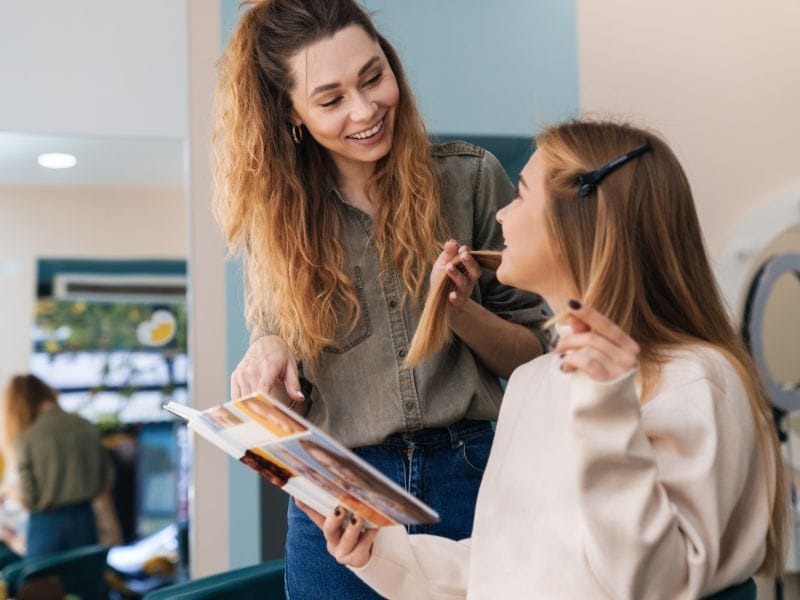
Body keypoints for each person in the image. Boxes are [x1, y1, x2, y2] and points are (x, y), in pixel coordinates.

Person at [304, 119, 788, 599]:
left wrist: (607, 413)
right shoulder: (536, 381)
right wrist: (377, 550)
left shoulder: (695, 381)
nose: (500, 217)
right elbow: (501, 571)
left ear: (581, 220)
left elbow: (652, 584)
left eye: (519, 194)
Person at [212, 1, 549, 597]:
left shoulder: (470, 180)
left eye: (373, 77)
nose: (366, 110)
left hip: (470, 478)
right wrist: (266, 351)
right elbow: (275, 344)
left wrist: (459, 312)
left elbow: (532, 363)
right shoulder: (274, 223)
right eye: (331, 99)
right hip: (339, 505)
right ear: (291, 114)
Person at [1, 374, 115, 558]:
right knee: (85, 582)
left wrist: (7, 490)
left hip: (47, 527)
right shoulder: (86, 426)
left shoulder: (27, 439)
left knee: (43, 584)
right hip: (85, 522)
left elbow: (29, 500)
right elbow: (105, 481)